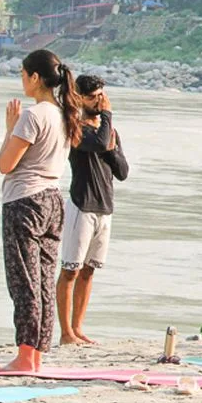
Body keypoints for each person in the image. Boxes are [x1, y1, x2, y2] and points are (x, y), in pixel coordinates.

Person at [0, 49, 83, 371]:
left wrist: (10, 128)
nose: (22, 80)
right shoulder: (64, 113)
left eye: (23, 74)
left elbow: (6, 164)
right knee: (44, 279)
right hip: (53, 200)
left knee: (23, 280)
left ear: (35, 77)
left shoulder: (32, 116)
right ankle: (36, 354)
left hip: (24, 200)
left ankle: (24, 354)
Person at [56, 75, 129, 346]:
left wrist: (111, 148)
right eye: (93, 97)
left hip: (105, 207)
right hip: (81, 205)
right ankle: (66, 332)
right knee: (70, 270)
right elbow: (97, 143)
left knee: (89, 270)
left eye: (101, 95)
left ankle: (78, 327)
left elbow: (122, 172)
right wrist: (107, 119)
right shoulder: (74, 128)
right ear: (80, 99)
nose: (99, 101)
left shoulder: (109, 132)